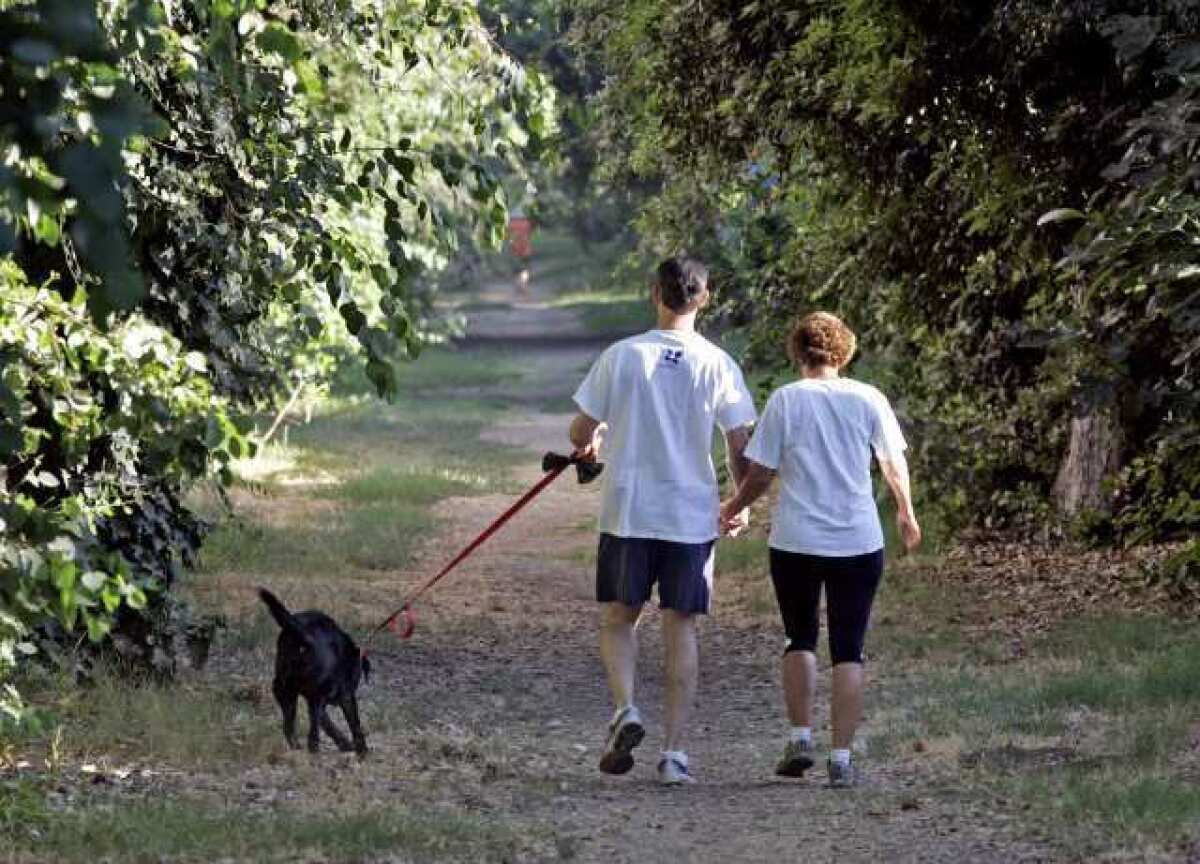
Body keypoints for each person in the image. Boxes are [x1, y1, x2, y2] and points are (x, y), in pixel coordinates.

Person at [569, 257, 756, 785]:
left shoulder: (622, 356)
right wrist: (739, 502)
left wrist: (589, 442)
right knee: (681, 627)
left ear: (655, 293)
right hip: (690, 516)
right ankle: (674, 754)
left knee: (618, 619)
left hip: (629, 510)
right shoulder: (718, 363)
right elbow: (738, 440)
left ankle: (627, 707)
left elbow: (580, 429)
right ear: (704, 298)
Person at [719, 311, 921, 788]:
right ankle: (843, 758)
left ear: (797, 351)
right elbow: (892, 464)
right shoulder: (869, 397)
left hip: (796, 540)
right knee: (849, 648)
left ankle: (800, 737)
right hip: (858, 540)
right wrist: (906, 512)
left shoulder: (787, 401)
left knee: (800, 636)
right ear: (844, 350)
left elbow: (762, 474)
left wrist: (731, 505)